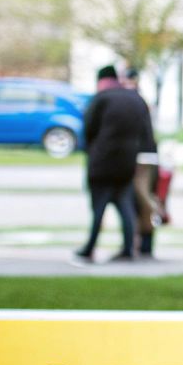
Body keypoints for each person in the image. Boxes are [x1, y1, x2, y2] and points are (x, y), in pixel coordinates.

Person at [74, 64, 150, 264]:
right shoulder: (136, 99)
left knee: (99, 206)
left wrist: (90, 151)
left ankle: (90, 247)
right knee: (125, 205)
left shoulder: (101, 98)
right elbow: (146, 132)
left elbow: (88, 130)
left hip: (102, 161)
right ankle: (128, 247)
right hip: (127, 161)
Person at [122, 68, 161, 259]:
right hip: (149, 155)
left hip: (141, 157)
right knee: (144, 200)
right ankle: (144, 244)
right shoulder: (142, 100)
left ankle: (142, 244)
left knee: (142, 201)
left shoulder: (133, 101)